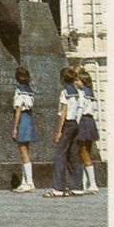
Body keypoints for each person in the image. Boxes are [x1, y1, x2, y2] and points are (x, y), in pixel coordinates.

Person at [45, 67, 81, 197]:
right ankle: (77, 186)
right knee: (73, 155)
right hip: (76, 124)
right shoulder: (77, 92)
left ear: (62, 79)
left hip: (67, 124)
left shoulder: (64, 92)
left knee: (60, 155)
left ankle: (58, 188)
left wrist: (59, 131)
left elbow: (64, 113)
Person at [75, 68, 101, 194]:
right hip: (91, 122)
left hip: (84, 122)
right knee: (86, 153)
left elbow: (80, 109)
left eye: (78, 80)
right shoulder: (90, 93)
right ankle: (86, 183)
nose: (76, 82)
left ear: (83, 82)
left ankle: (93, 184)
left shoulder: (82, 94)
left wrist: (76, 123)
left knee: (84, 153)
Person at [11, 67, 36, 193]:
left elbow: (18, 109)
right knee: (26, 150)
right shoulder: (30, 90)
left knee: (23, 151)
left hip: (22, 120)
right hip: (29, 118)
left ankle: (29, 183)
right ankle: (25, 181)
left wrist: (15, 127)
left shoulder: (19, 91)